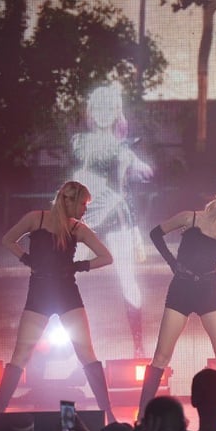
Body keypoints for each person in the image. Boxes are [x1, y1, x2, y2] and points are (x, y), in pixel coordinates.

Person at [0, 181, 117, 429]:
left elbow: (107, 257)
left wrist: (78, 266)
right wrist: (27, 259)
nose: (85, 209)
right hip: (39, 292)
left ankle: (110, 415)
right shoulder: (36, 218)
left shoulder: (78, 228)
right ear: (69, 201)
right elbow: (8, 240)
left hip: (66, 293)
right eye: (83, 204)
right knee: (20, 354)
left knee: (86, 353)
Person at [138, 182, 216, 418]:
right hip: (180, 290)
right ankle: (142, 416)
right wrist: (173, 263)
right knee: (161, 357)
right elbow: (155, 234)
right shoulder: (190, 218)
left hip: (207, 294)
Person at [72, 83, 154, 356]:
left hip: (117, 217)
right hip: (87, 218)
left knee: (127, 278)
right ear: (91, 111)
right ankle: (66, 346)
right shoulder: (81, 143)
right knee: (65, 273)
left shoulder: (123, 149)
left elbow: (131, 182)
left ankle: (139, 346)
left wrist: (136, 165)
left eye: (109, 107)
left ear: (116, 111)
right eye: (99, 107)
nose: (103, 112)